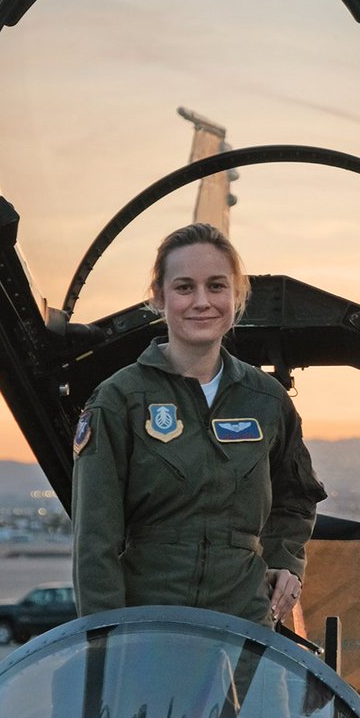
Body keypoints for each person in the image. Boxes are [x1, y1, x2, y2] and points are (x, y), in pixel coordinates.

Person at [72, 223, 325, 626]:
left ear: (237, 295)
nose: (202, 302)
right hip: (150, 625)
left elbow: (297, 497)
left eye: (217, 286)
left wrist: (284, 561)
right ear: (159, 296)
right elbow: (95, 542)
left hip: (244, 627)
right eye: (185, 287)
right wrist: (107, 643)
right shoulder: (120, 399)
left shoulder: (266, 400)